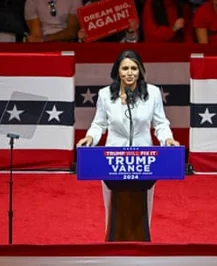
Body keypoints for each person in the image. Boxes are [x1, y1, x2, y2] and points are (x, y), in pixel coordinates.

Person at [76, 50, 180, 233]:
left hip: (145, 159)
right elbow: (99, 124)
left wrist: (168, 139)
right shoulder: (105, 94)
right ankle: (112, 240)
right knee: (113, 203)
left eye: (134, 68)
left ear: (140, 71)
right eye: (125, 68)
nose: (129, 73)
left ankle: (143, 242)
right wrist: (91, 137)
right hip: (112, 158)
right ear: (118, 71)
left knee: (143, 202)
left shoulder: (153, 93)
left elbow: (161, 124)